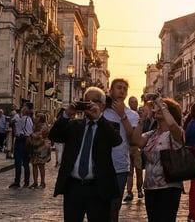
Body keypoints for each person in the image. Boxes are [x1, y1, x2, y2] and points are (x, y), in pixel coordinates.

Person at [51, 86, 123, 222]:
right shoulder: (74, 125)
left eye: (94, 101)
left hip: (97, 188)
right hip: (74, 187)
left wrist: (99, 119)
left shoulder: (108, 126)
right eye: (86, 101)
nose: (90, 104)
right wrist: (66, 115)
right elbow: (54, 135)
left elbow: (116, 140)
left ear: (102, 105)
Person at [137, 97, 185, 222]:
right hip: (150, 187)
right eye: (158, 108)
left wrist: (162, 106)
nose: (158, 109)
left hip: (169, 187)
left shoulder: (176, 133)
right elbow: (136, 141)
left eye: (163, 108)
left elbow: (173, 126)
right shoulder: (151, 134)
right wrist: (141, 122)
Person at [102, 78, 142, 222]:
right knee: (99, 206)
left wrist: (122, 116)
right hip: (100, 165)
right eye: (119, 87)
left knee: (115, 206)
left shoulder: (132, 115)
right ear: (110, 91)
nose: (122, 91)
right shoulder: (102, 112)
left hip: (119, 166)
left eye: (125, 88)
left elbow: (132, 138)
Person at [8, 105, 34, 188]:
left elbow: (12, 124)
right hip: (25, 141)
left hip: (21, 141)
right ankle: (26, 182)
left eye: (22, 110)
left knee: (19, 162)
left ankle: (17, 181)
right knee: (25, 163)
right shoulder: (29, 119)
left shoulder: (23, 119)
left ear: (24, 111)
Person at [125, 96, 145, 201]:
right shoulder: (127, 115)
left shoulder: (139, 116)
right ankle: (129, 192)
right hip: (128, 146)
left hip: (136, 147)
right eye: (132, 102)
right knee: (129, 171)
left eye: (135, 102)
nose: (134, 103)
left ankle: (140, 189)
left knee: (139, 169)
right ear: (129, 103)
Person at [28, 112, 50, 188]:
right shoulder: (34, 126)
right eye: (36, 116)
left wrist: (31, 134)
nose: (35, 118)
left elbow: (39, 135)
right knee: (34, 164)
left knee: (41, 165)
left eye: (37, 117)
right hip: (34, 147)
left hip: (42, 148)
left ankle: (43, 182)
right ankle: (35, 182)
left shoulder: (44, 126)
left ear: (41, 119)